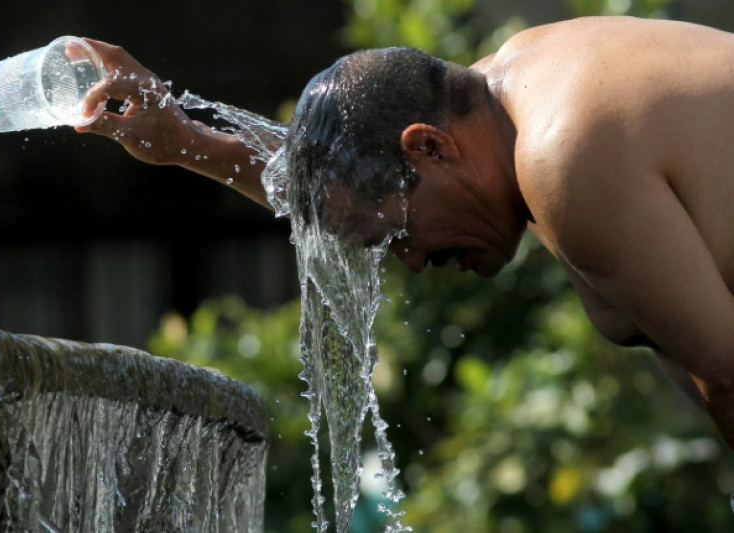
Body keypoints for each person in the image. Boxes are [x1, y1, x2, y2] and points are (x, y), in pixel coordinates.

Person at [73, 16, 734, 448]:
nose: (412, 261)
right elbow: (352, 180)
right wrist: (185, 141)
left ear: (431, 149)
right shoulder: (509, 87)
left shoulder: (563, 157)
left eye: (397, 236)